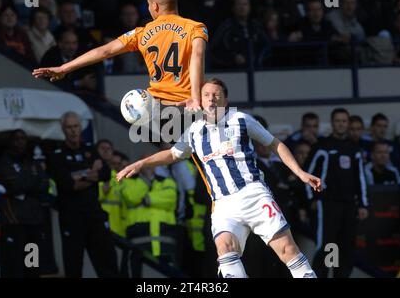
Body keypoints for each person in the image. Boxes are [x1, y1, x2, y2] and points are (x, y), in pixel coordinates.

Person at [117, 78, 322, 278]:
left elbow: (274, 144)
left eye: (216, 95)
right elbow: (172, 154)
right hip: (223, 204)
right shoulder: (194, 131)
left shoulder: (240, 119)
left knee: (287, 249)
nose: (211, 99)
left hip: (253, 194)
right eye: (206, 95)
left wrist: (300, 173)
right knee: (225, 250)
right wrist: (140, 163)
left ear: (225, 100)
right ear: (200, 100)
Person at [33, 0, 208, 112]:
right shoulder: (196, 27)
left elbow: (104, 51)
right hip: (189, 104)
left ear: (154, 6)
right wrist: (194, 97)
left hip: (157, 107)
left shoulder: (141, 33)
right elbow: (197, 57)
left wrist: (64, 68)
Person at [48, 111, 119, 278]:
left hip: (94, 215)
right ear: (63, 129)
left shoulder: (90, 150)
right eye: (69, 127)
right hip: (71, 218)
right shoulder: (57, 156)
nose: (73, 131)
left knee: (108, 265)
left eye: (76, 126)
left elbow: (106, 174)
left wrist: (81, 176)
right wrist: (91, 173)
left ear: (81, 128)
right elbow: (68, 185)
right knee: (73, 267)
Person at [305, 108, 369, 278]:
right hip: (328, 204)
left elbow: (360, 179)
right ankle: (323, 275)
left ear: (348, 124)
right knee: (328, 245)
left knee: (346, 247)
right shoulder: (322, 146)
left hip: (349, 206)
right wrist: (312, 199)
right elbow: (307, 174)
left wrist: (363, 204)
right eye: (338, 121)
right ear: (332, 123)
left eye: (344, 121)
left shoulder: (354, 149)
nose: (341, 124)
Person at [0, 129, 49, 278]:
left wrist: (27, 184)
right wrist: (33, 181)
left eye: (23, 138)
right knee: (13, 264)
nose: (20, 142)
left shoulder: (32, 161)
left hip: (34, 222)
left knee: (32, 264)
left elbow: (44, 185)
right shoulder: (4, 161)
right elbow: (15, 185)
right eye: (16, 138)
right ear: (10, 141)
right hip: (14, 221)